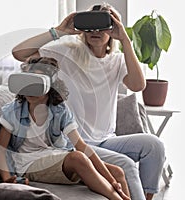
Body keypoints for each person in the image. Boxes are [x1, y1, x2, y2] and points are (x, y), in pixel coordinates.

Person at [11, 3, 165, 200]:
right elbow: (19, 53)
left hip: (106, 140)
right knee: (125, 164)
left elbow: (138, 85)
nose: (96, 31)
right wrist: (58, 31)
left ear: (113, 29)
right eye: (91, 25)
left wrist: (125, 39)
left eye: (103, 26)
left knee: (155, 145)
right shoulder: (67, 52)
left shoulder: (117, 61)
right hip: (74, 141)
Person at [0, 56, 130, 200]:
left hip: (56, 156)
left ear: (50, 85)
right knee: (77, 158)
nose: (30, 89)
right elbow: (0, 149)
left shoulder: (59, 110)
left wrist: (113, 181)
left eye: (37, 82)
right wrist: (7, 178)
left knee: (118, 172)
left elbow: (81, 145)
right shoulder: (13, 112)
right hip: (29, 164)